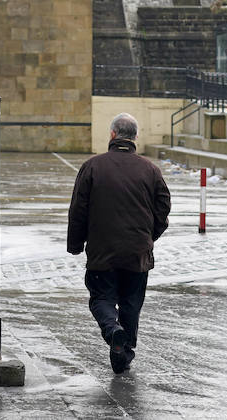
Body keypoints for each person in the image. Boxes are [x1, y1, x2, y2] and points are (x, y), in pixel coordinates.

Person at [67, 113, 171, 373]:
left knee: (101, 298)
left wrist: (76, 244)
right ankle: (124, 351)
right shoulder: (151, 170)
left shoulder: (92, 166)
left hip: (102, 251)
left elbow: (78, 209)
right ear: (135, 137)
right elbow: (163, 208)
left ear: (112, 135)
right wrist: (149, 236)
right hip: (137, 252)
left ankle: (113, 330)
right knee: (131, 303)